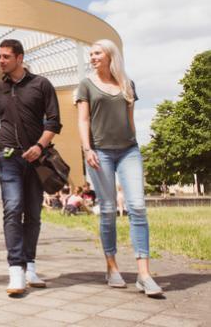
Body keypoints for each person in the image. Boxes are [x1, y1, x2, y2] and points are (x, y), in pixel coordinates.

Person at [75, 38, 162, 296]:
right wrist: (86, 149)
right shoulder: (86, 85)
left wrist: (135, 146)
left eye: (97, 53)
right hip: (99, 152)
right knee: (109, 209)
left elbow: (131, 121)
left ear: (110, 55)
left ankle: (144, 275)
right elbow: (83, 120)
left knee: (137, 206)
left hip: (129, 151)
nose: (92, 57)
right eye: (90, 54)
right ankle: (112, 266)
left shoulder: (127, 84)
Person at [0, 39, 62, 295]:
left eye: (6, 56)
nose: (1, 60)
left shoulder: (41, 85)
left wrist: (39, 146)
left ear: (19, 58)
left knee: (34, 214)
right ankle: (15, 269)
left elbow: (54, 122)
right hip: (8, 158)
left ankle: (30, 266)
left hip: (37, 160)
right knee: (13, 209)